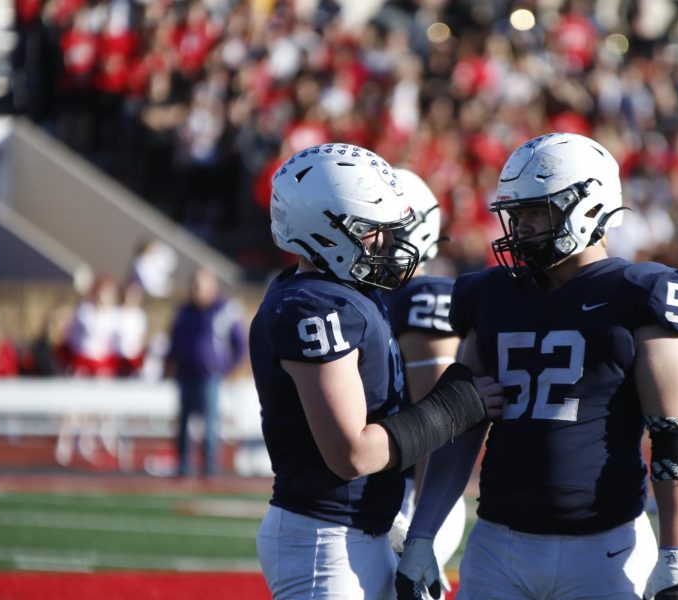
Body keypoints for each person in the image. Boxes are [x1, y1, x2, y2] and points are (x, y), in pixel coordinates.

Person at [396, 133, 678, 600]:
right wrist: (423, 535)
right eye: (516, 215)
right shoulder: (491, 295)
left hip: (605, 547)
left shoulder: (640, 294)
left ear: (590, 206)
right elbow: (461, 424)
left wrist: (676, 554)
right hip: (499, 542)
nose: (521, 229)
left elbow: (674, 437)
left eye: (536, 212)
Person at [249, 144, 504, 599]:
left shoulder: (331, 293)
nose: (387, 242)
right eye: (372, 229)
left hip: (354, 528)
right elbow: (351, 455)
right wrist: (454, 407)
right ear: (324, 232)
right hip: (325, 538)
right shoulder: (316, 308)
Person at [383, 169, 467, 595]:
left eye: (382, 225)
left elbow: (435, 421)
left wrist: (419, 522)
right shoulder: (367, 294)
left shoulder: (424, 296)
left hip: (412, 489)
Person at [166, 267, 246, 477]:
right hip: (186, 373)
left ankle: (209, 468)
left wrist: (226, 367)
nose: (195, 290)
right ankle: (183, 465)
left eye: (200, 286)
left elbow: (240, 343)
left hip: (209, 375)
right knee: (183, 423)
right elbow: (174, 339)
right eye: (194, 286)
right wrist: (172, 362)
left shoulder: (225, 309)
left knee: (210, 423)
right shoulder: (184, 310)